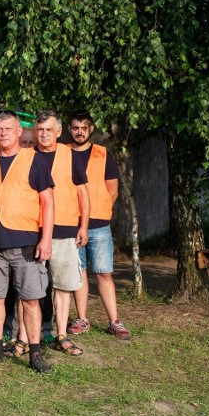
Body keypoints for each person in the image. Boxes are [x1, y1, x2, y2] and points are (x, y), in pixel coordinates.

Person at [0, 112, 54, 373]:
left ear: (18, 132)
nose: (3, 133)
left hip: (25, 242)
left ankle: (35, 352)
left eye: (8, 128)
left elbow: (48, 202)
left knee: (31, 300)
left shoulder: (33, 160)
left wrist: (46, 239)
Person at [67, 110, 130, 340]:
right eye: (75, 127)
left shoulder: (103, 154)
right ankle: (82, 319)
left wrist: (99, 210)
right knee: (79, 272)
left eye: (84, 128)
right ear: (69, 129)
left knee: (104, 273)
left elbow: (112, 190)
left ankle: (115, 321)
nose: (80, 132)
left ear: (91, 129)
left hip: (99, 225)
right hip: (71, 225)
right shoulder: (63, 153)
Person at [34, 111, 90, 357]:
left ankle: (61, 335)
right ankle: (31, 335)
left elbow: (83, 193)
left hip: (65, 229)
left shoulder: (69, 155)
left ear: (58, 132)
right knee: (32, 286)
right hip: (32, 228)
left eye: (49, 130)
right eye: (40, 130)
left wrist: (83, 226)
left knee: (63, 285)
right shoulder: (28, 156)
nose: (44, 134)